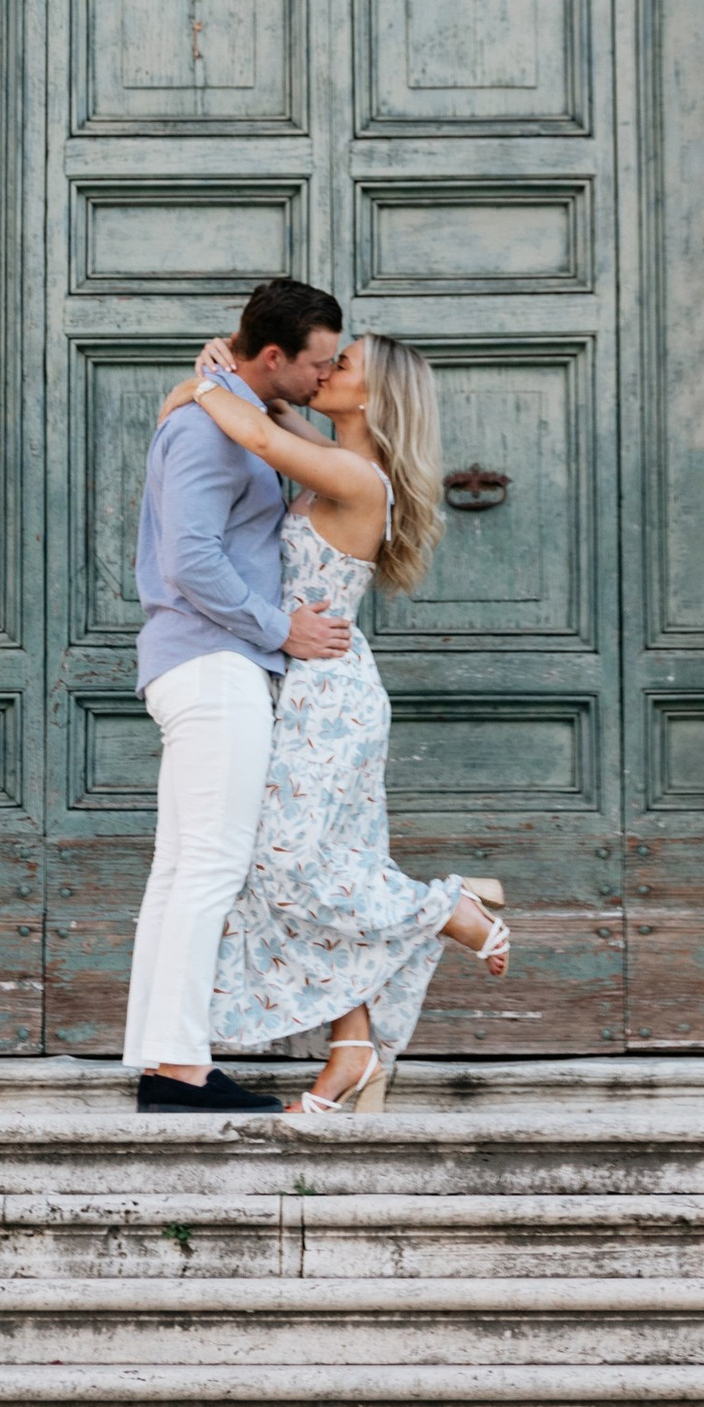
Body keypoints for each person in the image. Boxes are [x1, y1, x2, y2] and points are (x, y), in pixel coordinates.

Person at [167, 325, 513, 1118]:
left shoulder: (357, 475)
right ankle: (351, 1051)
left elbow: (250, 425)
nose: (324, 371)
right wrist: (215, 369)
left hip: (328, 699)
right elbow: (259, 412)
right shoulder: (333, 454)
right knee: (306, 865)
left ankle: (450, 911)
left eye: (343, 364)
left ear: (374, 394)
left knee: (291, 866)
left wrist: (203, 384)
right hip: (310, 688)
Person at [123, 275, 354, 1116]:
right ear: (271, 356)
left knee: (181, 868)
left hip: (207, 662)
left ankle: (162, 1060)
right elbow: (189, 560)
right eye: (318, 364)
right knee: (208, 867)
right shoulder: (207, 433)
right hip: (214, 663)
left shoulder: (231, 420)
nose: (325, 379)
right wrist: (277, 627)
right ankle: (181, 1068)